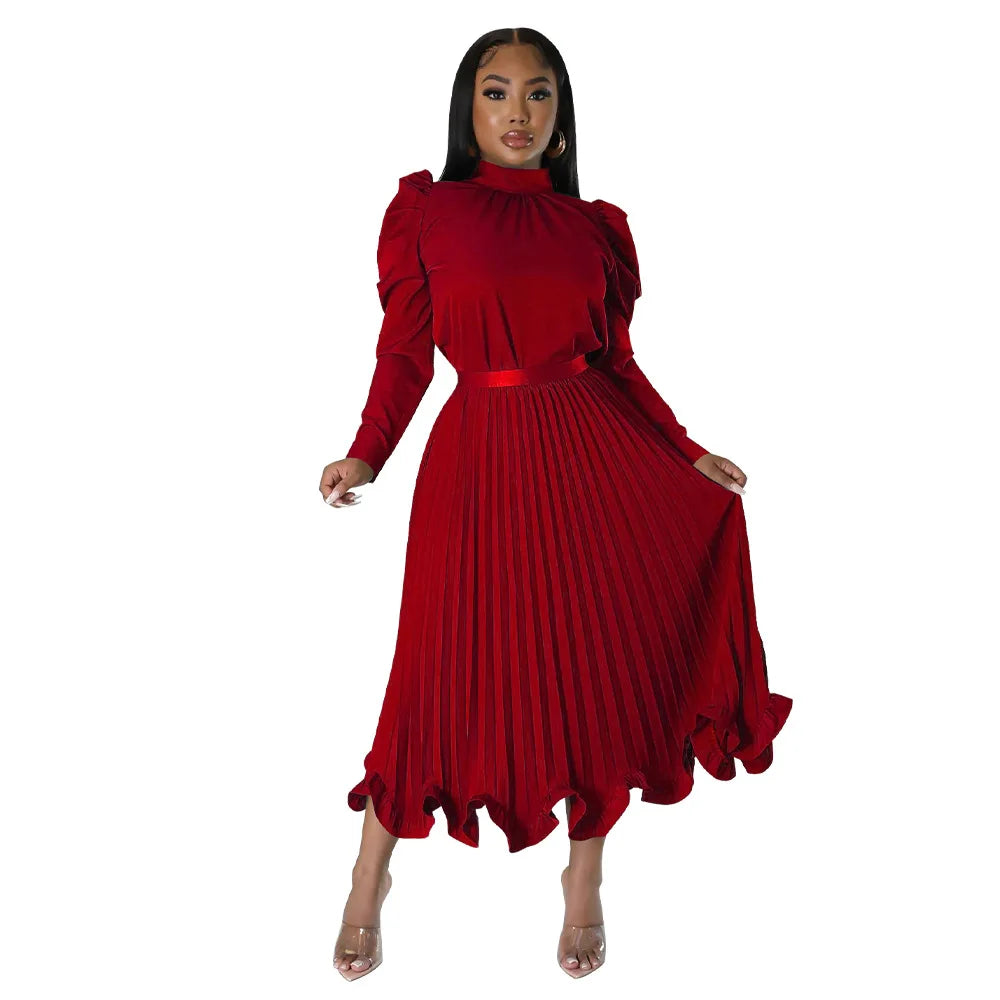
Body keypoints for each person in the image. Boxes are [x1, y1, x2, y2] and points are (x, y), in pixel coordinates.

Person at [319, 27, 793, 981]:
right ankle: (369, 876)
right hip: (476, 459)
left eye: (538, 95)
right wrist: (366, 451)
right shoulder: (427, 212)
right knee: (435, 668)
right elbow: (405, 354)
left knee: (589, 664)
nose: (518, 113)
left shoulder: (594, 228)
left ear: (562, 118)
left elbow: (616, 364)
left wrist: (685, 452)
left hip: (590, 455)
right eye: (496, 93)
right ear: (468, 110)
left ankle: (584, 879)